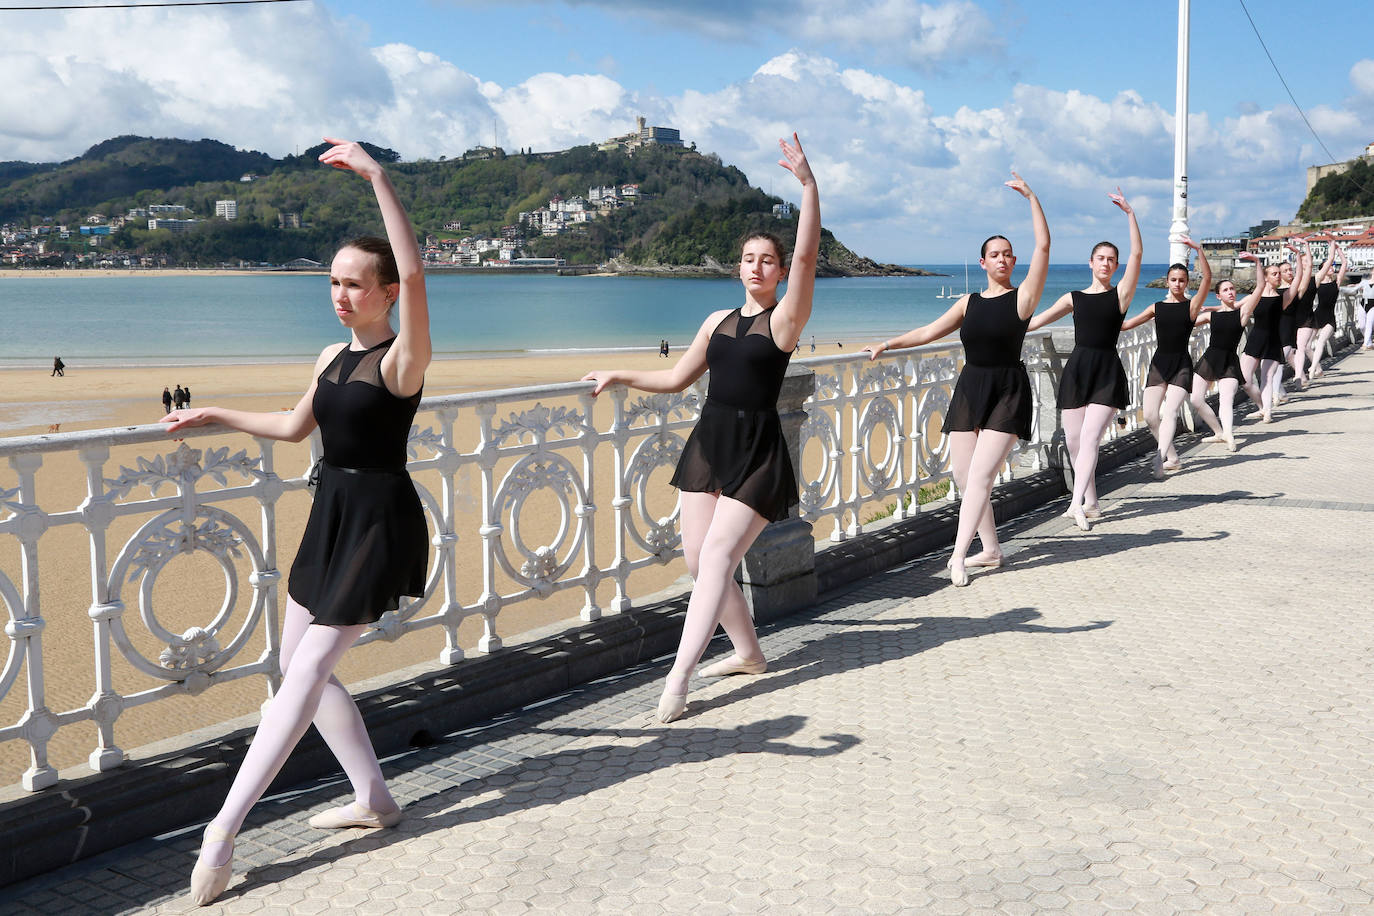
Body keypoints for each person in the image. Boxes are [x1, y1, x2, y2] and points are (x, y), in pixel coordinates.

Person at [164, 139, 430, 906]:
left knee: (306, 676)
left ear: (384, 294)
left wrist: (379, 175)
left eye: (356, 285)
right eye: (335, 283)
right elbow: (291, 428)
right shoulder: (329, 357)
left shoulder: (402, 361)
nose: (342, 295)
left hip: (380, 519)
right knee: (299, 672)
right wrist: (215, 413)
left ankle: (221, 834)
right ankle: (374, 800)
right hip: (330, 514)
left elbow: (417, 274)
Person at [582, 134, 818, 723]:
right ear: (738, 266)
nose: (757, 267)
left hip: (758, 452)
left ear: (781, 270)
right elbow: (677, 379)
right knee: (697, 561)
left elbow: (811, 259)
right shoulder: (717, 320)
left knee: (715, 562)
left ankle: (677, 679)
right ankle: (748, 653)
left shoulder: (784, 321)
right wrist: (620, 373)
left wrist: (809, 190)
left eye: (768, 260)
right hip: (710, 444)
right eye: (749, 258)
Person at [863, 171, 1050, 586]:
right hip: (970, 388)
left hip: (1007, 391)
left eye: (1008, 254)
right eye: (995, 254)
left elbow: (1043, 245)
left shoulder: (1023, 298)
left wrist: (1031, 197)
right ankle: (992, 549)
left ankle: (958, 557)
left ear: (1014, 262)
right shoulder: (968, 302)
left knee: (982, 476)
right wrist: (887, 344)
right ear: (983, 263)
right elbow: (929, 332)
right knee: (965, 477)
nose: (1003, 259)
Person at [1027, 188, 1141, 531]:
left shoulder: (1120, 295)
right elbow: (1036, 320)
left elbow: (1137, 254)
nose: (1106, 263)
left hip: (1107, 372)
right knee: (1075, 441)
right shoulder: (1073, 298)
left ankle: (1074, 504)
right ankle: (1091, 502)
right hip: (1077, 371)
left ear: (1115, 266)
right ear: (1091, 263)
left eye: (1111, 260)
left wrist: (1130, 214)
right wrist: (1004, 328)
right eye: (1100, 258)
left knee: (1090, 440)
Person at [1121, 240, 1213, 478]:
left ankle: (1159, 459)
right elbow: (1126, 326)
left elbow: (1207, 280)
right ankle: (1172, 456)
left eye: (1182, 280)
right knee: (1151, 415)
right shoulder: (1156, 307)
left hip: (1181, 365)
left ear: (1186, 282)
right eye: (1174, 280)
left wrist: (1199, 251)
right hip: (1159, 364)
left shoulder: (1192, 307)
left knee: (1170, 412)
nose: (1178, 284)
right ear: (1167, 281)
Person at [1236, 243, 1308, 422]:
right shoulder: (1255, 296)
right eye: (1274, 274)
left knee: (1267, 378)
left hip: (1273, 341)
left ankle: (1267, 411)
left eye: (1279, 273)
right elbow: (1234, 308)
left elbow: (1298, 278)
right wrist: (1208, 311)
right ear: (1266, 278)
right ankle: (1261, 407)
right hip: (1255, 340)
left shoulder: (1283, 298)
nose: (1279, 276)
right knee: (1245, 380)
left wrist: (1298, 256)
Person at [1190, 278, 1257, 452]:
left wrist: (1257, 263)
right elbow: (1184, 323)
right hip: (1210, 359)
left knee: (1226, 400)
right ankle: (1219, 432)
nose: (1231, 292)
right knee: (1195, 399)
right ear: (1218, 296)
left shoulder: (1241, 314)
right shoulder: (1210, 316)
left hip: (1229, 362)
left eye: (1232, 289)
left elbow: (1256, 293)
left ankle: (1229, 434)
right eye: (1226, 290)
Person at [1308, 238, 1348, 376]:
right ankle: (1318, 368)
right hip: (1317, 315)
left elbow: (1344, 263)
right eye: (1329, 266)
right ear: (1323, 269)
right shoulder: (1318, 282)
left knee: (1320, 342)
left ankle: (1313, 368)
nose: (1332, 267)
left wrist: (1337, 248)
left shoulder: (1336, 282)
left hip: (1330, 317)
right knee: (1307, 345)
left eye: (1332, 266)